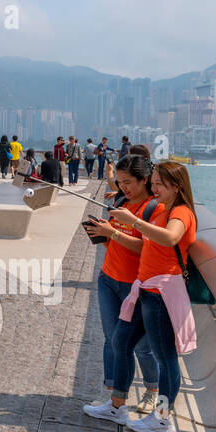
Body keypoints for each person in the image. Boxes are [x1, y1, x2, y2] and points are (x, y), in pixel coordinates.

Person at [89, 161, 199, 432]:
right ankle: (117, 406)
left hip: (161, 293)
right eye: (155, 182)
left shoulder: (181, 213)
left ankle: (162, 418)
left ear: (177, 186)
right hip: (145, 289)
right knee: (120, 341)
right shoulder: (166, 211)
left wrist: (135, 222)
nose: (155, 187)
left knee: (165, 358)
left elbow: (171, 238)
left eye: (160, 183)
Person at [81, 155, 160, 416]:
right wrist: (102, 233)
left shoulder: (153, 209)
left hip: (135, 285)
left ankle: (152, 390)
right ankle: (113, 393)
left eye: (128, 182)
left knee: (141, 346)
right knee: (111, 339)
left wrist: (112, 232)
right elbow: (114, 242)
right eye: (120, 182)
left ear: (144, 179)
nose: (123, 188)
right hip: (108, 278)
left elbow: (146, 247)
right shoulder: (121, 202)